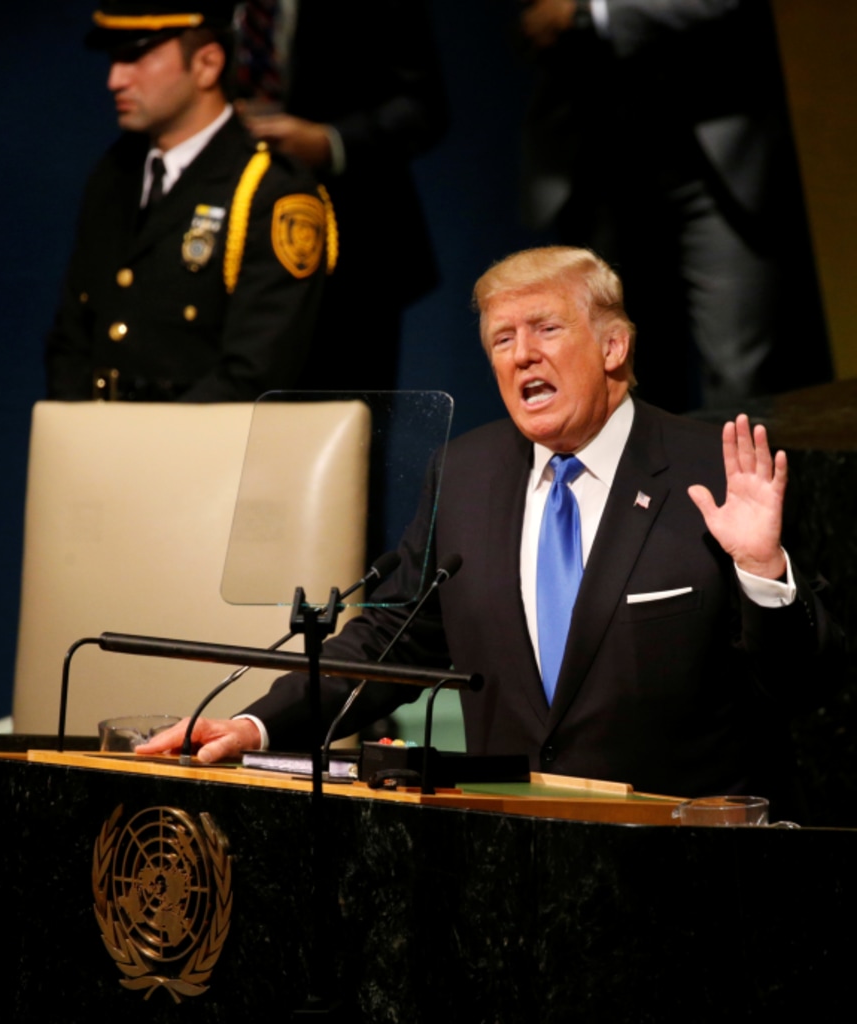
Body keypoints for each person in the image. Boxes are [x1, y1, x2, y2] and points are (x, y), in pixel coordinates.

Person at [139, 246, 840, 816]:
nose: (521, 354)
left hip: (682, 855)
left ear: (614, 347)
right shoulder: (465, 473)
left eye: (546, 329)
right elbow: (392, 638)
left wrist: (762, 571)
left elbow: (806, 685)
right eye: (502, 339)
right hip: (510, 853)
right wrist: (256, 725)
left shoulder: (716, 468)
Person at [515, 0, 833, 412]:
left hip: (714, 149)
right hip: (596, 156)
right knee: (623, 375)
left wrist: (592, 12)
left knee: (739, 376)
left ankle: (738, 459)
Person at [45, 0, 332, 402]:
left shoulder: (270, 191)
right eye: (114, 60)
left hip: (206, 436)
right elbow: (71, 337)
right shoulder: (115, 172)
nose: (115, 79)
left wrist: (149, 437)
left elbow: (254, 373)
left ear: (206, 65)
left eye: (135, 58)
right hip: (97, 430)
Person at [234, 0, 447, 391]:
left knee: (344, 411)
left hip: (355, 248)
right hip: (230, 236)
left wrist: (331, 142)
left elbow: (423, 105)